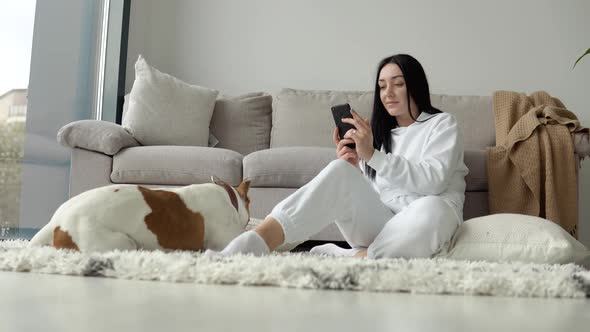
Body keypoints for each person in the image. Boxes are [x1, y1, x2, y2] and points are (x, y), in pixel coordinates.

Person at [214, 54, 469, 259]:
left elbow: (433, 182)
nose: (388, 93)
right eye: (382, 86)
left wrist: (373, 156)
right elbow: (379, 196)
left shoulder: (442, 124)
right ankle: (255, 241)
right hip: (381, 225)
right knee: (339, 169)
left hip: (420, 225)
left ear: (415, 85)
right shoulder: (380, 136)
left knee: (434, 207)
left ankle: (358, 257)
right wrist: (357, 168)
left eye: (398, 84)